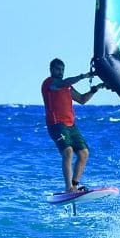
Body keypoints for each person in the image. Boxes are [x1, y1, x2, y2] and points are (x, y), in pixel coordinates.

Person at [41, 58, 103, 193]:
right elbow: (64, 82)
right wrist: (83, 76)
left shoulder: (67, 87)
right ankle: (68, 187)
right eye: (58, 69)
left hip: (71, 125)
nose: (60, 72)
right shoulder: (49, 83)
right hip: (56, 124)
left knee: (84, 153)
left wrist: (95, 89)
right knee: (68, 152)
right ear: (51, 69)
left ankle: (75, 185)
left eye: (62, 69)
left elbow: (82, 99)